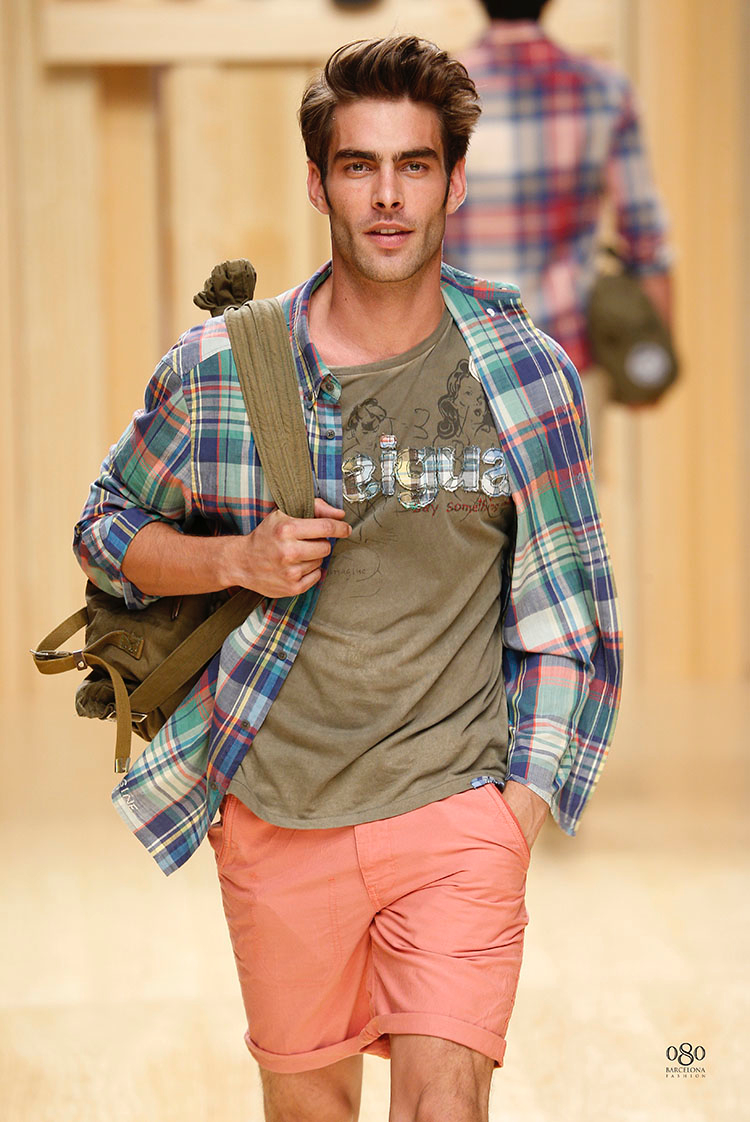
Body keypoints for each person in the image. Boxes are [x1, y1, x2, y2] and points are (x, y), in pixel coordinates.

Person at [73, 35, 622, 1122]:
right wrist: (235, 558)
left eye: (414, 164)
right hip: (280, 814)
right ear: (319, 182)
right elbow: (104, 526)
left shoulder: (528, 376)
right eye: (359, 165)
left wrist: (517, 810)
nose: (387, 196)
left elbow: (572, 612)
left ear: (453, 181)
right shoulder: (223, 371)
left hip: (458, 809)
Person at [443, 0, 673, 445]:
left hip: (460, 359)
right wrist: (651, 361)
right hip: (565, 358)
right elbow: (644, 236)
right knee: (570, 491)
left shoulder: (441, 96)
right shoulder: (603, 90)